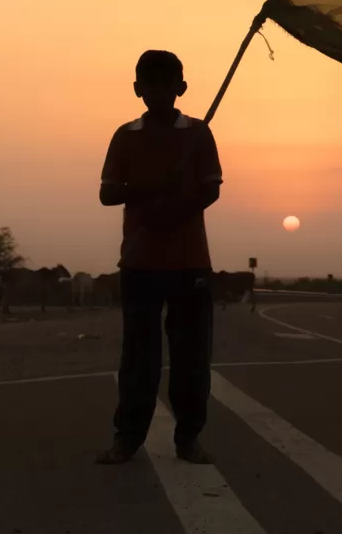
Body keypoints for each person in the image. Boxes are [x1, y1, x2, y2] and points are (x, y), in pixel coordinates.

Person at [95, 50, 223, 465]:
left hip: (190, 263)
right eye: (149, 85)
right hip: (139, 262)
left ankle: (188, 438)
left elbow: (211, 190)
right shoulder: (125, 135)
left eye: (166, 85)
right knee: (138, 356)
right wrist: (150, 187)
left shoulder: (199, 134)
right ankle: (126, 438)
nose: (158, 92)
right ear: (137, 89)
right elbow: (108, 193)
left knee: (191, 355)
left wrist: (175, 211)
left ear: (180, 88)